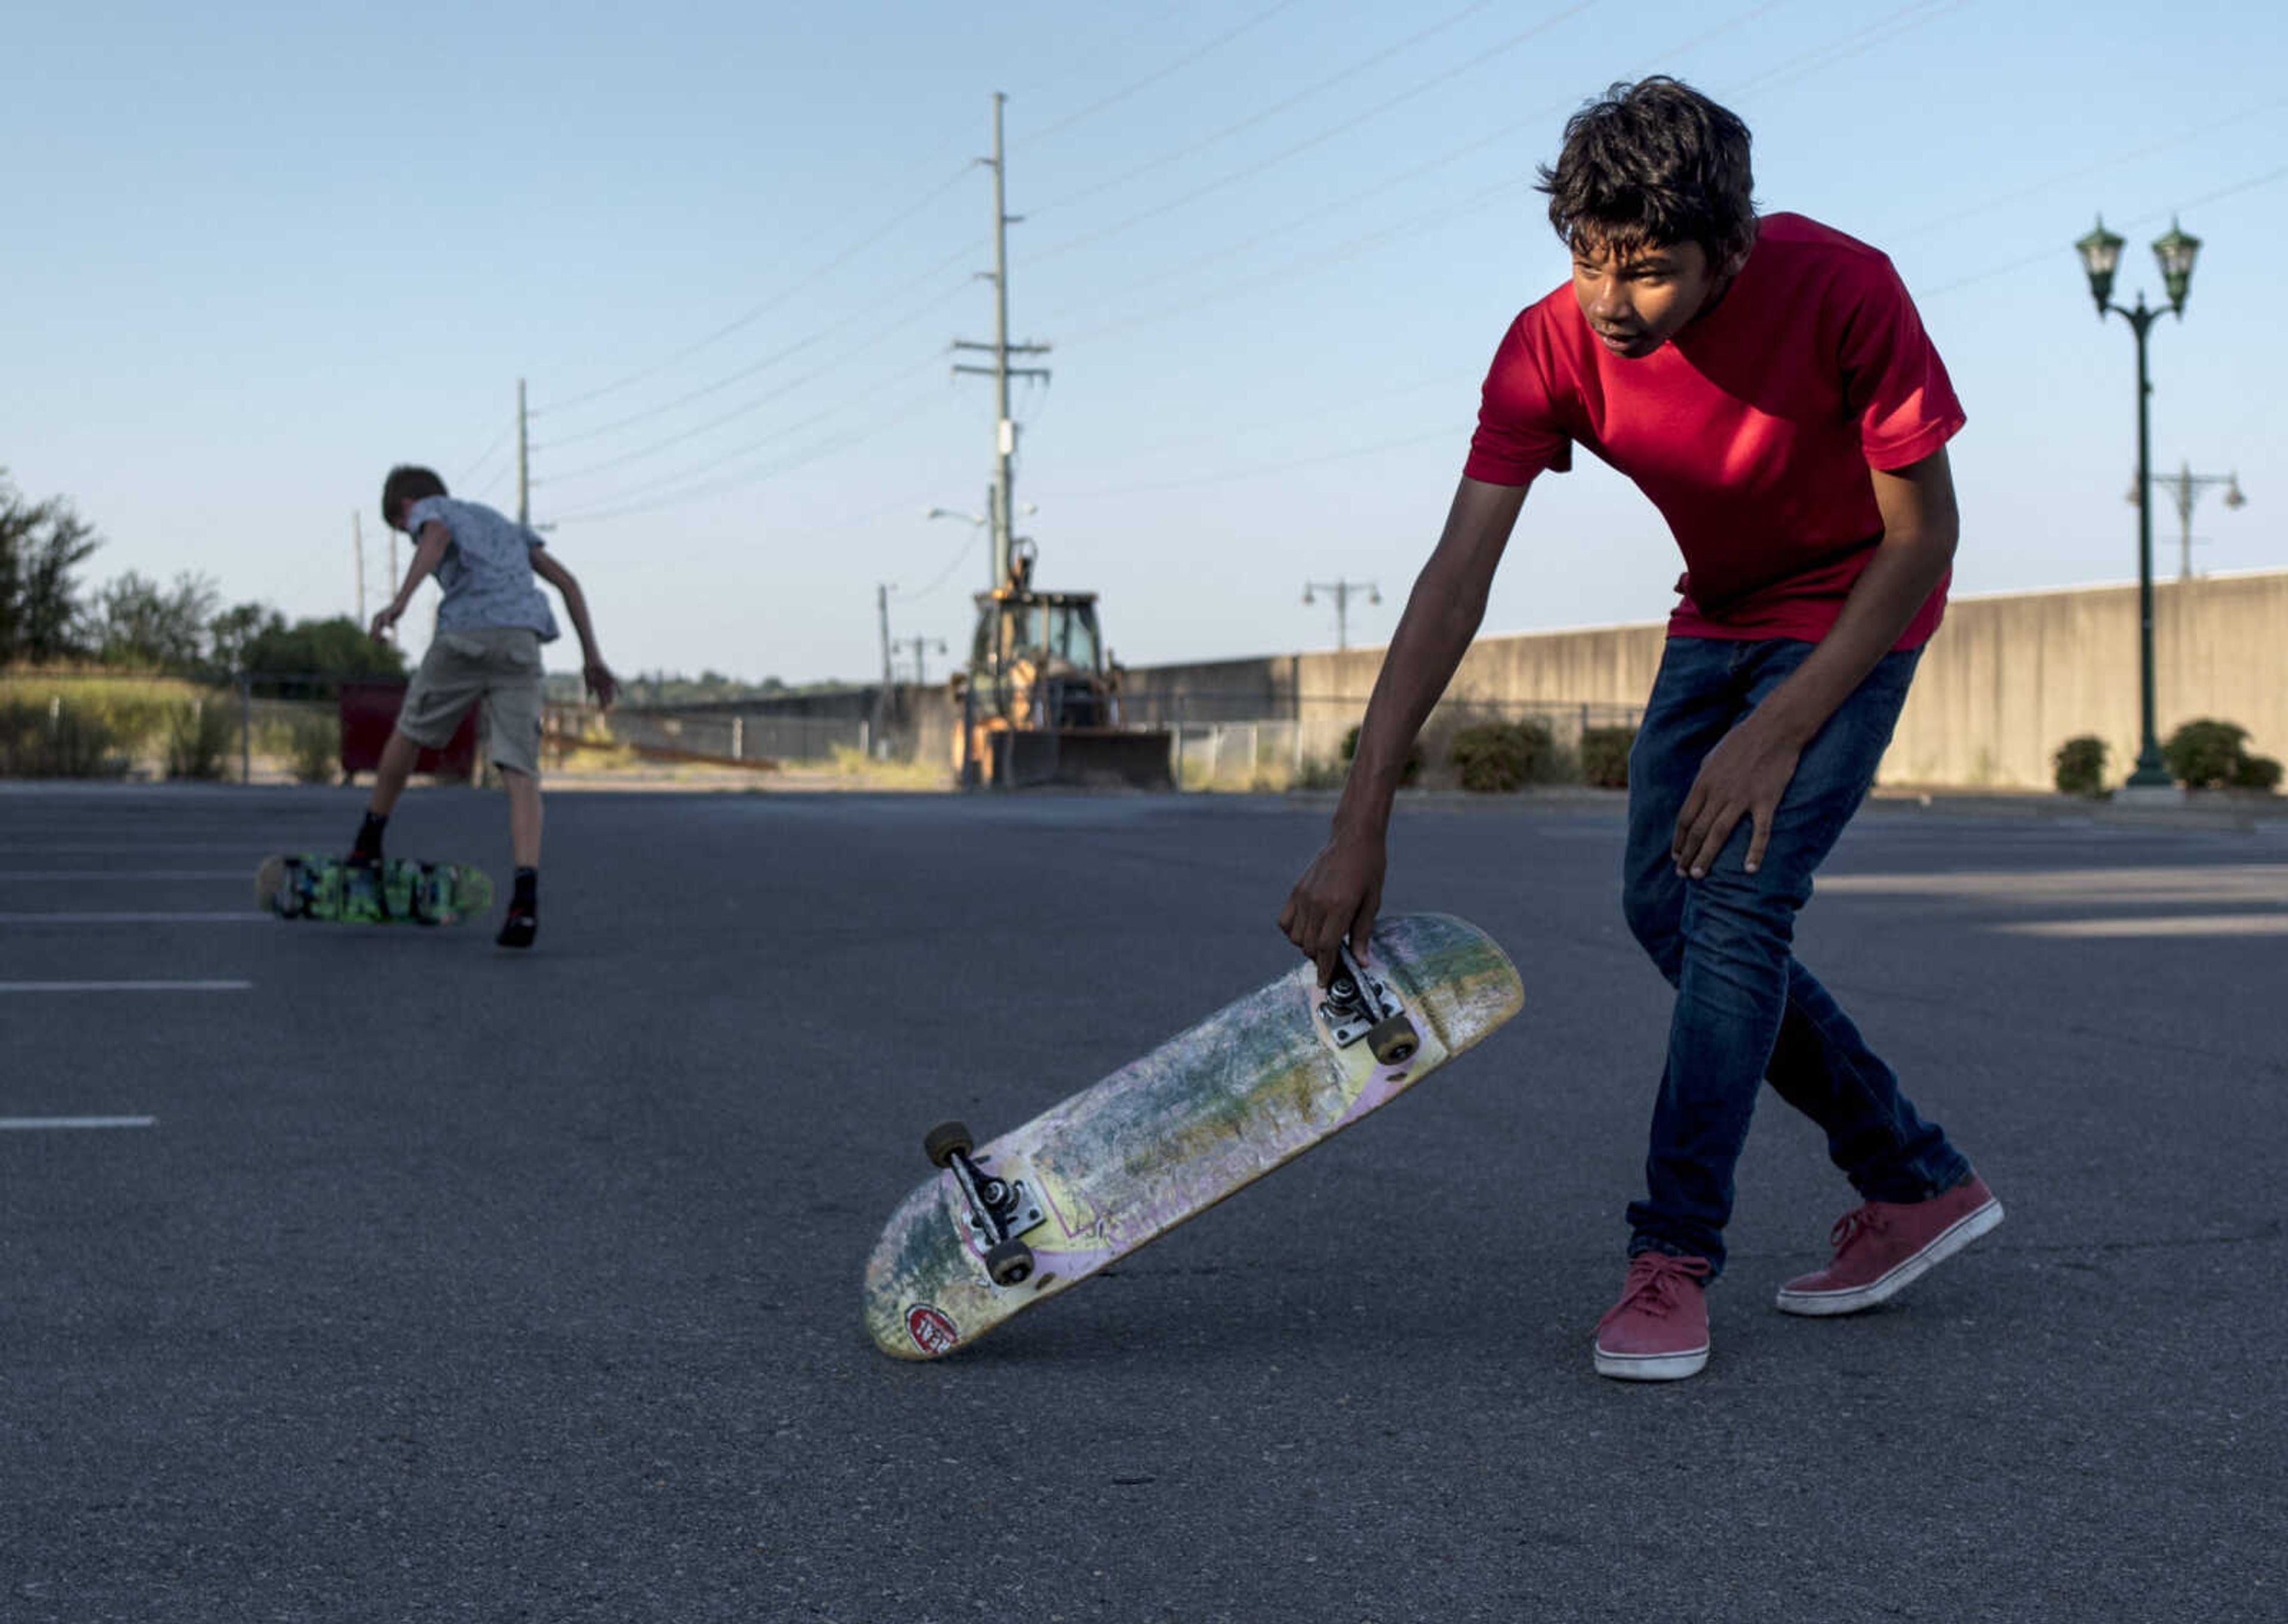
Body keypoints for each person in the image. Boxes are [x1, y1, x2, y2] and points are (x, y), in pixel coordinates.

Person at [1277, 77, 2000, 1382]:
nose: (1611, 302)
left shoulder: (1847, 289)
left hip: (1858, 610)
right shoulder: (1550, 342)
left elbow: (1925, 537)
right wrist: (1361, 811)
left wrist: (1781, 726)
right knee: (1662, 907)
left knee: (1734, 909)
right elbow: (1457, 576)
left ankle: (1672, 1256)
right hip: (1717, 614)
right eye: (1587, 260)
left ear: (1734, 245)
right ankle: (1913, 1179)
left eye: (1651, 272)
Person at [352, 465, 616, 949]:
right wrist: (592, 659)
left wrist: (399, 603)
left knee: (409, 732)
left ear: (405, 506)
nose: (408, 536)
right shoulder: (504, 525)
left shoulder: (432, 511)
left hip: (466, 636)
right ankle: (525, 899)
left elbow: (436, 535)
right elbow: (568, 583)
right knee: (521, 770)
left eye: (400, 528)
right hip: (522, 642)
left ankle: (368, 844)